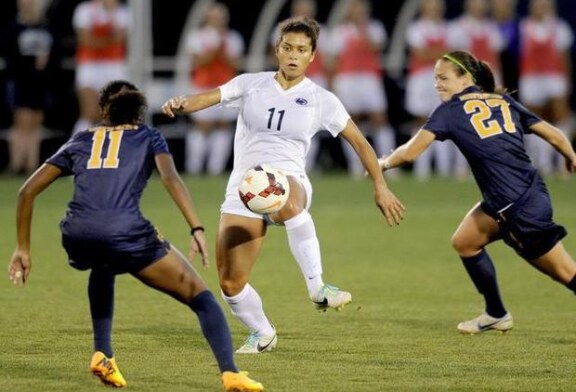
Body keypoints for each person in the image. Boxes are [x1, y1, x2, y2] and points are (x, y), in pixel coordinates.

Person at [162, 16, 405, 353]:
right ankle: (263, 333)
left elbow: (361, 143)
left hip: (292, 179)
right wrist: (181, 103)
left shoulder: (322, 99)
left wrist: (381, 186)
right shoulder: (251, 84)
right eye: (288, 47)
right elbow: (209, 97)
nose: (293, 55)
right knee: (231, 283)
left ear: (312, 56)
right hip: (244, 189)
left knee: (282, 194)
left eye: (301, 50)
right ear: (276, 50)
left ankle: (318, 287)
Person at [7, 80, 264, 392]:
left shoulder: (81, 139)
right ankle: (231, 374)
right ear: (140, 114)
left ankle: (103, 354)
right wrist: (196, 227)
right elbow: (170, 177)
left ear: (103, 110)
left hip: (77, 233)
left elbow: (27, 191)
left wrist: (23, 248)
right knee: (202, 298)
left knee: (103, 263)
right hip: (123, 231)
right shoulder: (147, 135)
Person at [378, 50, 576, 334]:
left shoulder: (451, 110)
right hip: (526, 193)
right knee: (465, 241)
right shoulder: (503, 100)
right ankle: (495, 313)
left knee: (566, 272)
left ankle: (498, 313)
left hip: (515, 207)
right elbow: (555, 134)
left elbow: (410, 154)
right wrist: (570, 155)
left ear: (465, 79)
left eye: (443, 78)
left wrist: (382, 162)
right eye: (435, 79)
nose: (437, 84)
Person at [329, 0, 397, 178]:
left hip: (369, 78)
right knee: (351, 122)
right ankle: (356, 167)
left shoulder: (374, 28)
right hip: (347, 79)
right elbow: (333, 59)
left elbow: (377, 47)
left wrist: (362, 30)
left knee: (379, 119)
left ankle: (388, 165)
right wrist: (333, 83)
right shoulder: (339, 31)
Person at [182, 2, 244, 175]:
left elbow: (236, 63)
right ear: (207, 18)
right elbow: (196, 62)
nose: (217, 20)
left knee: (223, 126)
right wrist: (214, 49)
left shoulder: (233, 37)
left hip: (226, 87)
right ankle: (194, 169)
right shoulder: (197, 36)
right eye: (214, 16)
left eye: (220, 17)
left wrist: (222, 50)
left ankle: (215, 170)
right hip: (203, 86)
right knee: (202, 125)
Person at [447, 0, 504, 179]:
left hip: (487, 81)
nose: (478, 8)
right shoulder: (457, 28)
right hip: (466, 81)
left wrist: (497, 83)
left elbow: (495, 57)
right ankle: (461, 166)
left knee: (491, 123)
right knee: (465, 123)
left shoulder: (491, 28)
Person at [1, 0, 59, 175]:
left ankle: (32, 165)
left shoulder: (46, 29)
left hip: (40, 83)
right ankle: (16, 163)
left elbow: (56, 52)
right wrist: (30, 63)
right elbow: (9, 55)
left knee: (35, 123)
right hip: (21, 81)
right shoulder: (14, 29)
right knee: (21, 122)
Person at [518, 0, 574, 177]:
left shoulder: (560, 27)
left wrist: (567, 81)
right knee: (534, 121)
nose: (540, 9)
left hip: (553, 76)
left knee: (559, 116)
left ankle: (562, 163)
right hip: (531, 77)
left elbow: (565, 57)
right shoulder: (523, 27)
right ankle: (539, 163)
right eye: (537, 5)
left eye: (544, 5)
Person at [404, 0, 456, 180]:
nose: (434, 9)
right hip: (420, 78)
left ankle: (444, 168)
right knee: (421, 120)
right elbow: (421, 53)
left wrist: (434, 52)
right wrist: (444, 52)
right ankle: (421, 167)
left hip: (442, 78)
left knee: (443, 120)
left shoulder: (449, 28)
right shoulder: (416, 28)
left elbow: (452, 54)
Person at [71, 0, 129, 136]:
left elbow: (121, 38)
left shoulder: (122, 12)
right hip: (89, 65)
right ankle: (76, 150)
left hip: (114, 65)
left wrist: (110, 16)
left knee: (112, 113)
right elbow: (85, 39)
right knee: (89, 111)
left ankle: (109, 150)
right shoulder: (84, 10)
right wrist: (108, 41)